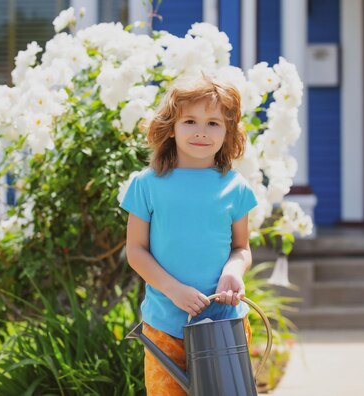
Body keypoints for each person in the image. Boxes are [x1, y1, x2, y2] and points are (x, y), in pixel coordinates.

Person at [119, 74, 259, 395]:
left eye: (213, 123)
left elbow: (241, 248)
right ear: (171, 126)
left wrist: (233, 271)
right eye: (190, 121)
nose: (201, 131)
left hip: (224, 324)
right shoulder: (147, 184)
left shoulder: (235, 188)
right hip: (166, 326)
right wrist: (174, 290)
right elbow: (136, 250)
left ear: (228, 132)